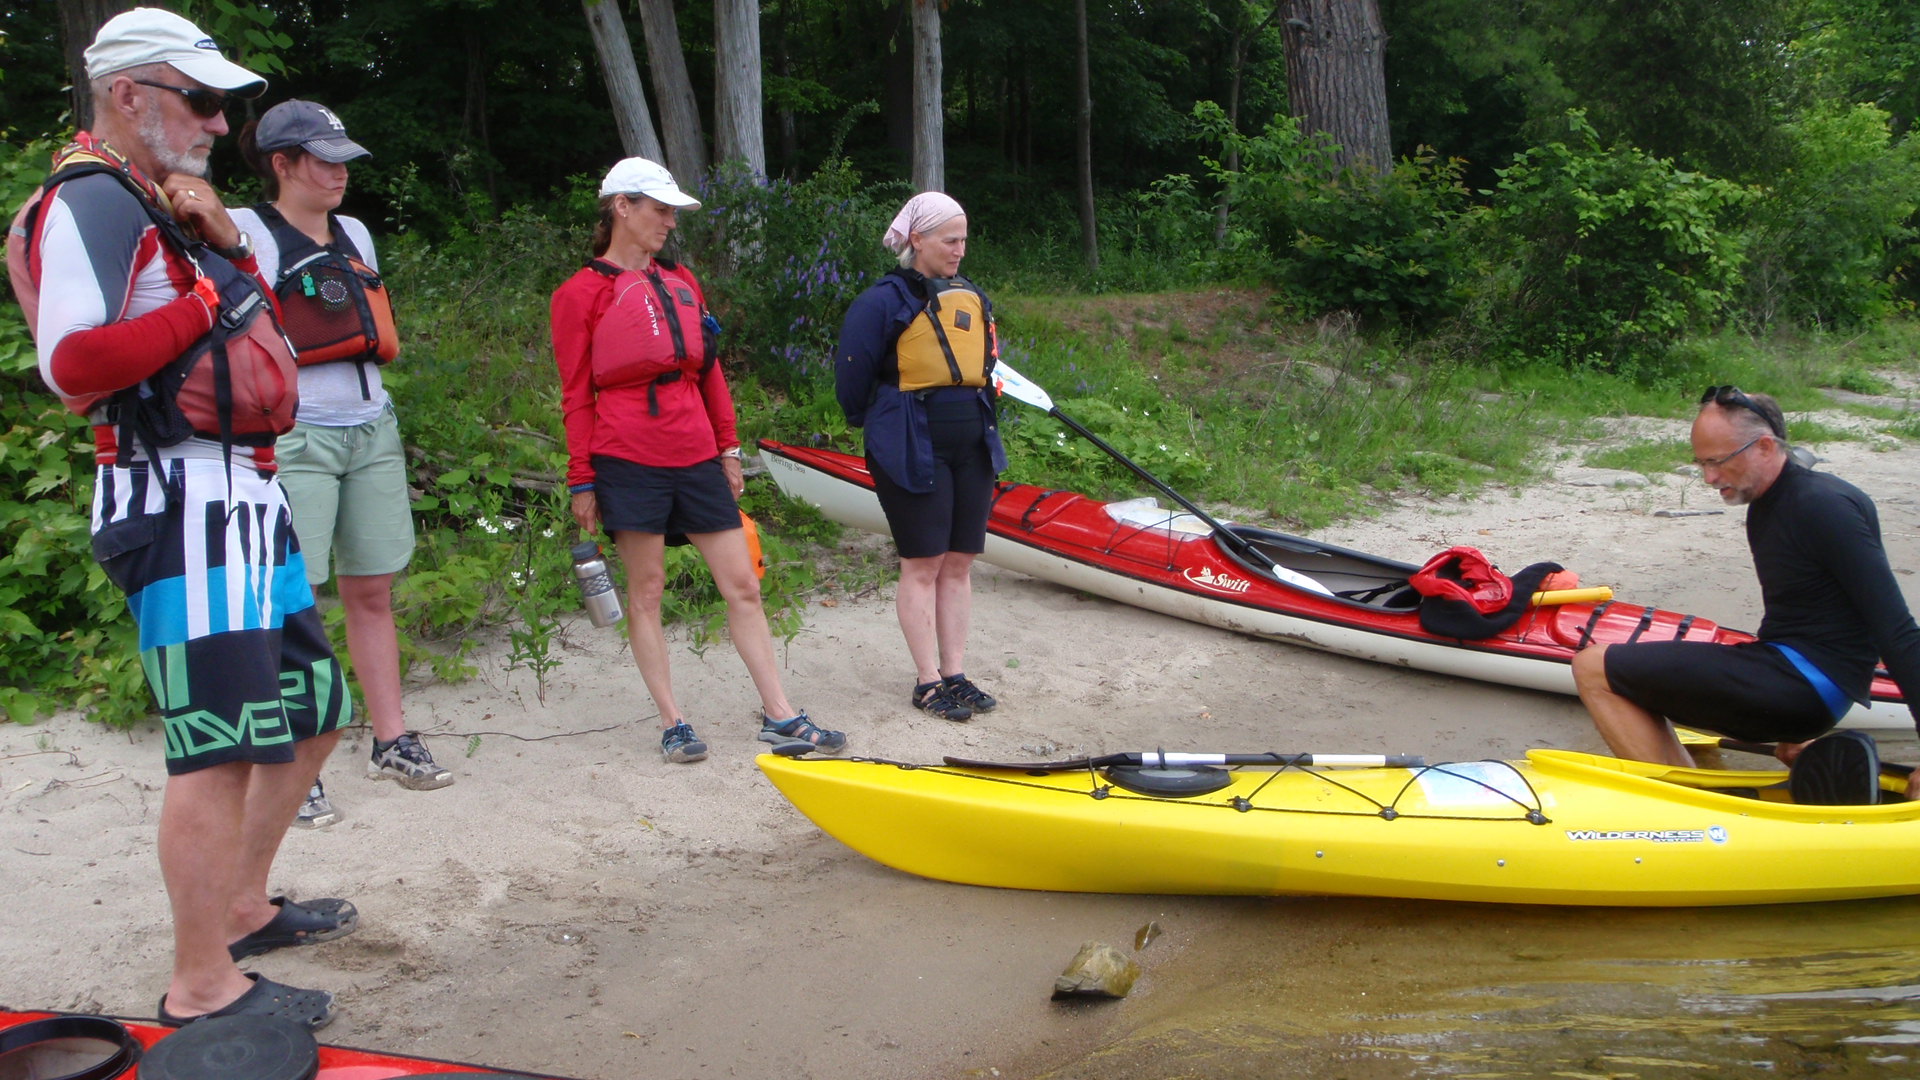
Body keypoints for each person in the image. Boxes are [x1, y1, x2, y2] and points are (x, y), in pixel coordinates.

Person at [9, 8, 351, 1028]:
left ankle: (240, 905)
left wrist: (225, 244)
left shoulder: (157, 204)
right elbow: (72, 366)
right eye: (197, 99)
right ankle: (202, 980)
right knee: (220, 743)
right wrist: (201, 302)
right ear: (128, 96)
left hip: (242, 492)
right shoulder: (91, 201)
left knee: (312, 710)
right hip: (180, 496)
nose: (214, 121)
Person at [549, 157, 844, 762]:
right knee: (648, 589)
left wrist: (727, 448)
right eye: (660, 210)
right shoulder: (579, 294)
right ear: (621, 208)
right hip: (627, 456)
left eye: (673, 213)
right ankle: (673, 720)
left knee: (743, 585)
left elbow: (709, 371)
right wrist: (583, 479)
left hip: (695, 455)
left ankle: (781, 715)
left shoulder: (682, 283)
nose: (669, 223)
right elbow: (577, 393)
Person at [232, 100, 452, 829]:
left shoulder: (354, 232)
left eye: (342, 160)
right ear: (282, 164)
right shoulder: (247, 232)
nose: (338, 173)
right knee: (288, 598)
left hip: (369, 429)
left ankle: (390, 739)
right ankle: (293, 756)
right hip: (295, 437)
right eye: (322, 159)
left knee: (372, 588)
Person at [1571, 385, 1920, 803]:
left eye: (1718, 462)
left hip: (1807, 686)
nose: (1709, 478)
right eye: (1700, 463)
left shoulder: (1822, 506)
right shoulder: (1772, 501)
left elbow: (1897, 631)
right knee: (1638, 673)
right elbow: (1802, 612)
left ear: (1765, 446)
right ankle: (1747, 770)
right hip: (1799, 675)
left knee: (1594, 668)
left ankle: (1691, 813)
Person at [835, 192, 1007, 722]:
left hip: (971, 440)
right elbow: (852, 382)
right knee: (923, 562)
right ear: (918, 239)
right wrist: (884, 427)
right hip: (910, 441)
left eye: (963, 240)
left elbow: (987, 362)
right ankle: (927, 681)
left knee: (959, 561)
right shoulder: (881, 301)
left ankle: (955, 672)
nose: (959, 250)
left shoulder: (971, 296)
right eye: (949, 240)